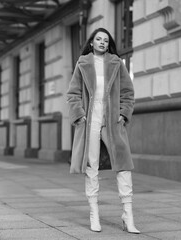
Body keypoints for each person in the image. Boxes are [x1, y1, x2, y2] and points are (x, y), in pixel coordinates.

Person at [67, 27, 140, 234]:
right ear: (91, 42)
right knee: (92, 167)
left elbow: (128, 92)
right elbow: (72, 93)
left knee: (124, 167)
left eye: (105, 40)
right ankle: (94, 214)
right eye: (98, 39)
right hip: (90, 121)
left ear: (108, 44)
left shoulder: (117, 63)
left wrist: (124, 114)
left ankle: (128, 216)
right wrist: (79, 115)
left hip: (112, 121)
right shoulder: (82, 63)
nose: (102, 43)